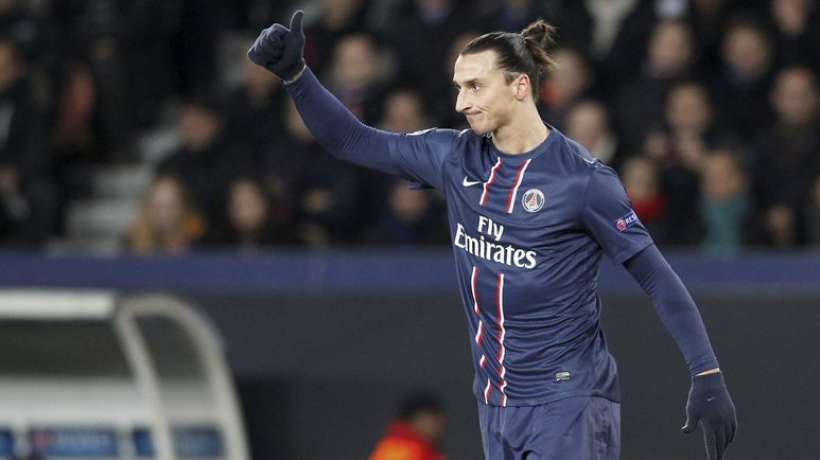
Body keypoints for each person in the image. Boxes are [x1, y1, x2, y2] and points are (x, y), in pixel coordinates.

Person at [249, 11, 737, 459]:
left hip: (568, 400)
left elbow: (656, 277)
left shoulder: (583, 181)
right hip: (496, 403)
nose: (461, 102)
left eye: (475, 87)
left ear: (520, 85)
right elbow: (352, 139)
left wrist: (706, 372)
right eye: (459, 87)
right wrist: (297, 76)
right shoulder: (454, 156)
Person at [369, 392, 447, 460]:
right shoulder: (400, 450)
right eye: (434, 419)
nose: (440, 424)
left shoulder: (423, 449)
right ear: (415, 419)